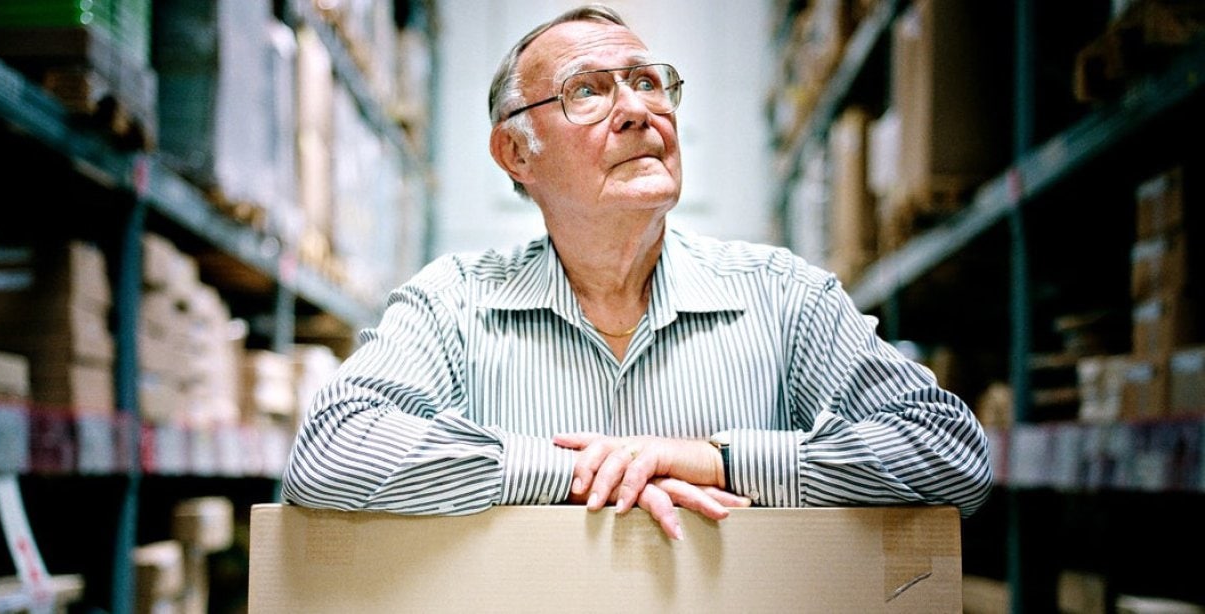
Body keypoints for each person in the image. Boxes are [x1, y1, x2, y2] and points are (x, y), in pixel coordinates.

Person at [282, 3, 992, 540]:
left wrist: (718, 460)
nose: (637, 111)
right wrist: (570, 470)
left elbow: (951, 454)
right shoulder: (453, 303)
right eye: (587, 91)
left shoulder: (783, 294)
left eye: (650, 83)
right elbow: (329, 454)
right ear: (515, 154)